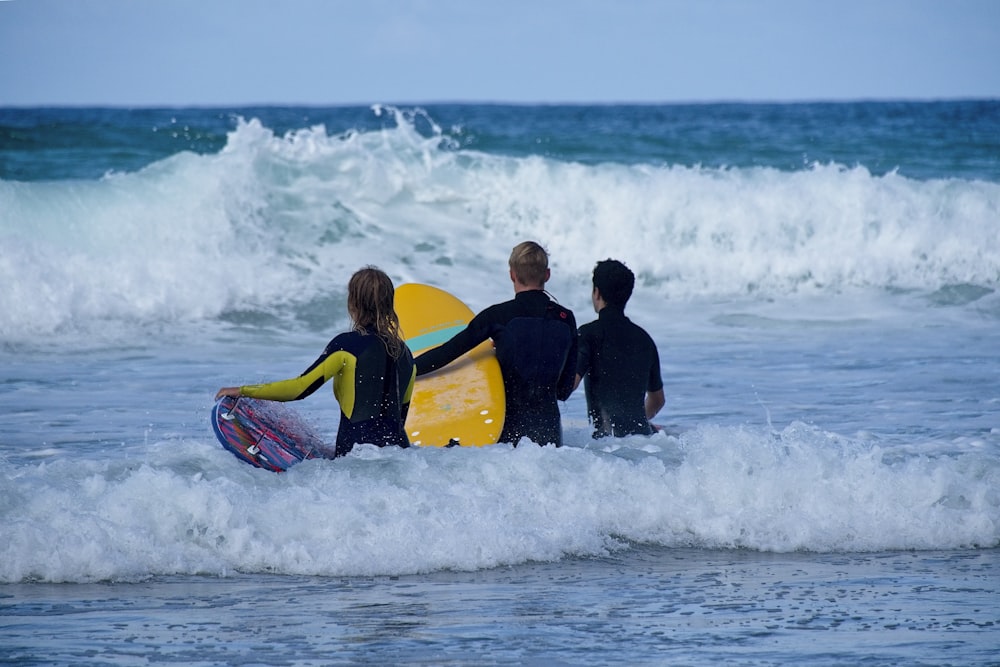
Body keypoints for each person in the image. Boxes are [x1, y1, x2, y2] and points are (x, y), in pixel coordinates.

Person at [215, 266, 416, 458]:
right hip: (401, 455)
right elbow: (400, 416)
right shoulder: (406, 354)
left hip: (356, 458)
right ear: (389, 303)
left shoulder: (347, 345)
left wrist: (242, 390)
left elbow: (299, 389)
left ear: (353, 302)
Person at [414, 241, 578, 447]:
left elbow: (449, 352)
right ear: (547, 275)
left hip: (506, 432)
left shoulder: (498, 315)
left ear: (512, 275)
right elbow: (563, 390)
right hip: (551, 434)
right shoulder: (567, 319)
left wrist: (407, 370)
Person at [574, 259, 665, 438]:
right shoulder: (644, 339)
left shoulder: (588, 334)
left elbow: (570, 383)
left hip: (606, 444)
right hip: (642, 439)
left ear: (597, 292)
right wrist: (637, 422)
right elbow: (658, 400)